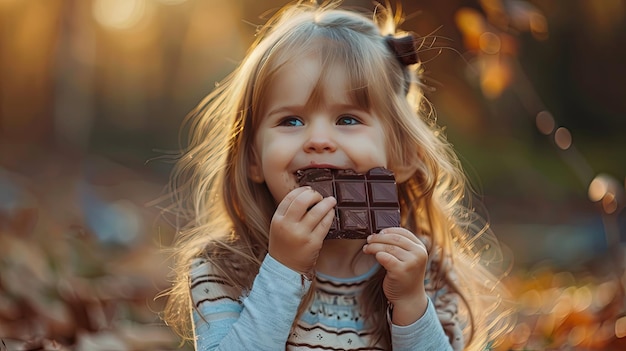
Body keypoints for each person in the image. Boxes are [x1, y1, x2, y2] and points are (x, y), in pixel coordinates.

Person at [160, 1, 513, 350]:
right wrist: (282, 272)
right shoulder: (224, 270)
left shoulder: (424, 270)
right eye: (291, 121)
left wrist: (410, 304)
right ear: (253, 157)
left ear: (403, 155)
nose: (318, 140)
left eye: (347, 120)